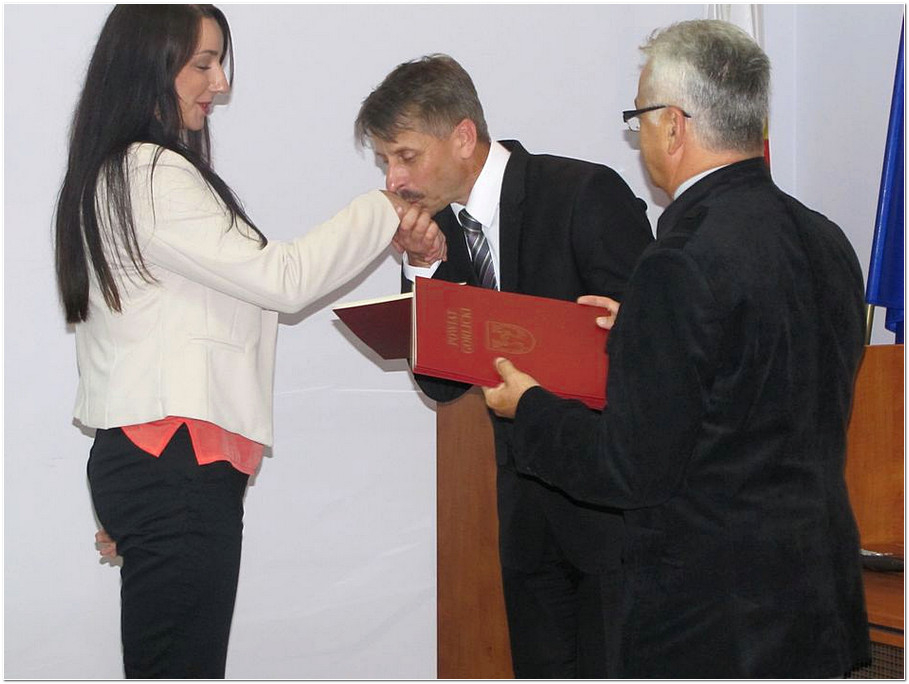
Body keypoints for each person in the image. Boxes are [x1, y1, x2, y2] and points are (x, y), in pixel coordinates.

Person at [55, 5, 444, 679]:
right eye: (203, 64)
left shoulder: (124, 173)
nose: (221, 83)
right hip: (174, 463)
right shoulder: (148, 172)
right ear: (150, 65)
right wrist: (383, 209)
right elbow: (283, 280)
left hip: (161, 463)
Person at [484, 19, 871, 678]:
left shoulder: (680, 261)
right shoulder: (826, 238)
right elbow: (768, 377)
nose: (639, 136)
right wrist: (643, 330)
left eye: (638, 118)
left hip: (711, 624)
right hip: (819, 603)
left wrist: (531, 408)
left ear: (672, 125)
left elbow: (629, 470)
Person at [354, 54, 653, 678]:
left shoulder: (580, 193)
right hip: (525, 516)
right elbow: (440, 383)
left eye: (405, 156)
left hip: (612, 518)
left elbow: (651, 353)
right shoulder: (438, 231)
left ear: (464, 137)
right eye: (384, 162)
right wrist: (423, 269)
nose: (395, 180)